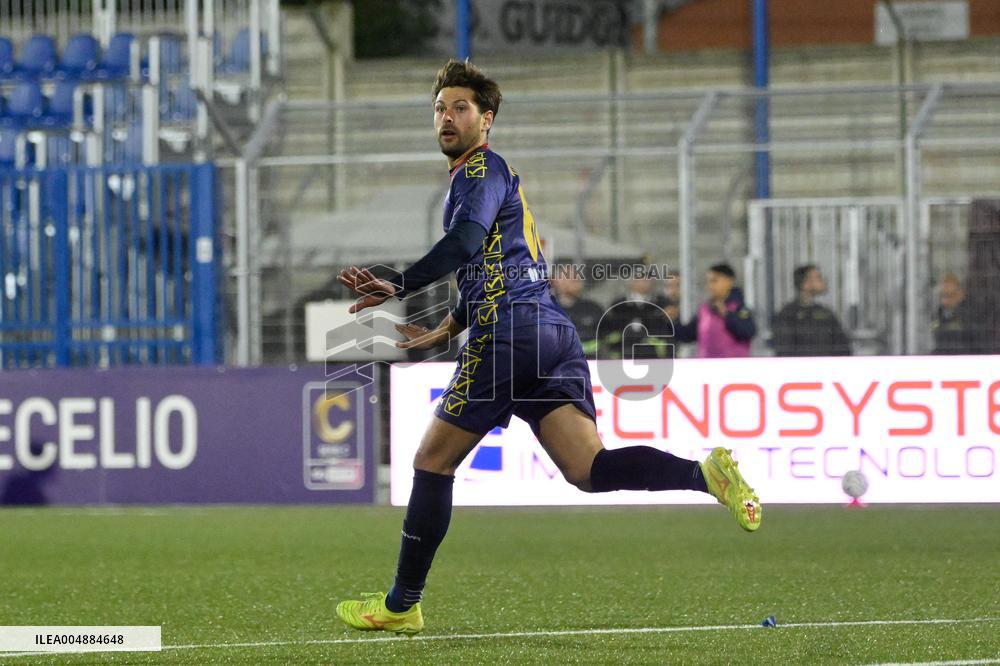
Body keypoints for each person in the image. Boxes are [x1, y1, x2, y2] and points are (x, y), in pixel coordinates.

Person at [334, 60, 761, 637]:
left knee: (432, 462)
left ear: (486, 120)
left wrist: (401, 285)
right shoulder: (489, 178)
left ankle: (402, 603)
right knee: (587, 469)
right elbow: (492, 261)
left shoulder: (480, 169)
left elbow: (463, 244)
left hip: (509, 331)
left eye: (460, 108)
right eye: (439, 108)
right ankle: (702, 474)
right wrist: (445, 329)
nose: (446, 117)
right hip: (547, 331)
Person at [675, 263, 756, 358]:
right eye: (708, 281)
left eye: (714, 281)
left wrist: (728, 315)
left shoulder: (739, 308)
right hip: (709, 368)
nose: (710, 285)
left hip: (734, 368)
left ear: (728, 281)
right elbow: (688, 334)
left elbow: (748, 331)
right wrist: (672, 321)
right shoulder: (704, 309)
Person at [772, 265, 851, 356]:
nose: (823, 281)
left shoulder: (826, 313)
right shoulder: (788, 315)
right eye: (818, 277)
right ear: (806, 284)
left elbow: (843, 346)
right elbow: (784, 352)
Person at [603, 275, 672, 360]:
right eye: (641, 279)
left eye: (648, 278)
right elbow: (612, 329)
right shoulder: (618, 304)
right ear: (631, 283)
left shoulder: (662, 303)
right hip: (624, 353)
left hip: (654, 354)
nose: (646, 281)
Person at [549, 272, 604, 357]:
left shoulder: (593, 308)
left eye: (579, 280)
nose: (580, 284)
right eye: (574, 280)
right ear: (556, 282)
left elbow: (605, 337)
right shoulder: (545, 309)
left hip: (592, 360)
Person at [932, 273, 976, 354]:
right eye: (942, 295)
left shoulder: (971, 318)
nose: (945, 301)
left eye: (951, 295)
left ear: (961, 295)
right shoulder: (936, 316)